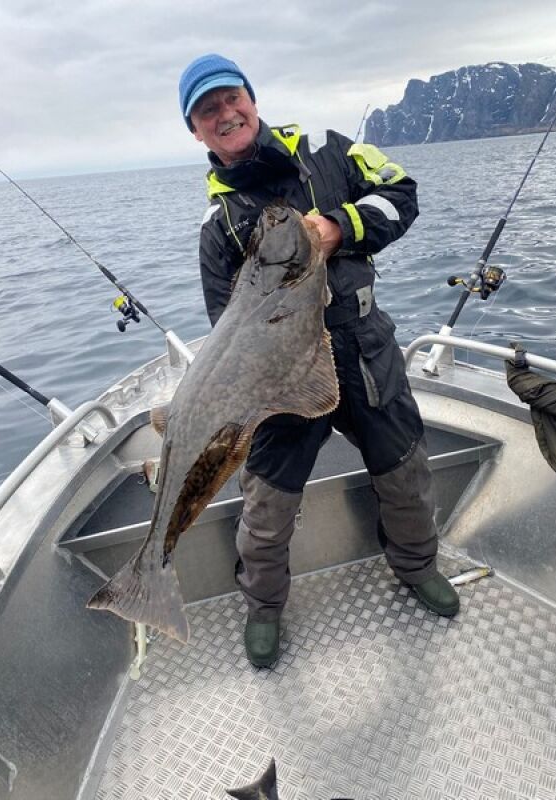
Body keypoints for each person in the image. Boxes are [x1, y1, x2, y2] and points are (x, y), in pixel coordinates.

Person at [179, 54, 459, 668]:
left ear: (252, 99)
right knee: (267, 504)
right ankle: (263, 606)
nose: (226, 114)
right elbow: (224, 331)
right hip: (282, 380)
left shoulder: (329, 151)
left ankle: (417, 566)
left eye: (232, 98)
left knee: (405, 469)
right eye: (207, 110)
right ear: (195, 131)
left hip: (363, 346)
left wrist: (339, 226)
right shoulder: (217, 225)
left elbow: (402, 193)